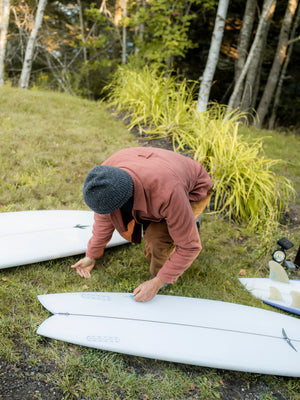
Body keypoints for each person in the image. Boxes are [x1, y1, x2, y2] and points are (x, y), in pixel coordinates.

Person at [71, 147, 213, 302]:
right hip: (162, 172)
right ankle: (180, 220)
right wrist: (91, 255)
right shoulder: (104, 178)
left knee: (157, 239)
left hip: (192, 188)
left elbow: (190, 246)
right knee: (152, 222)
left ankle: (188, 224)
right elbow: (104, 219)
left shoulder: (168, 193)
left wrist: (157, 282)